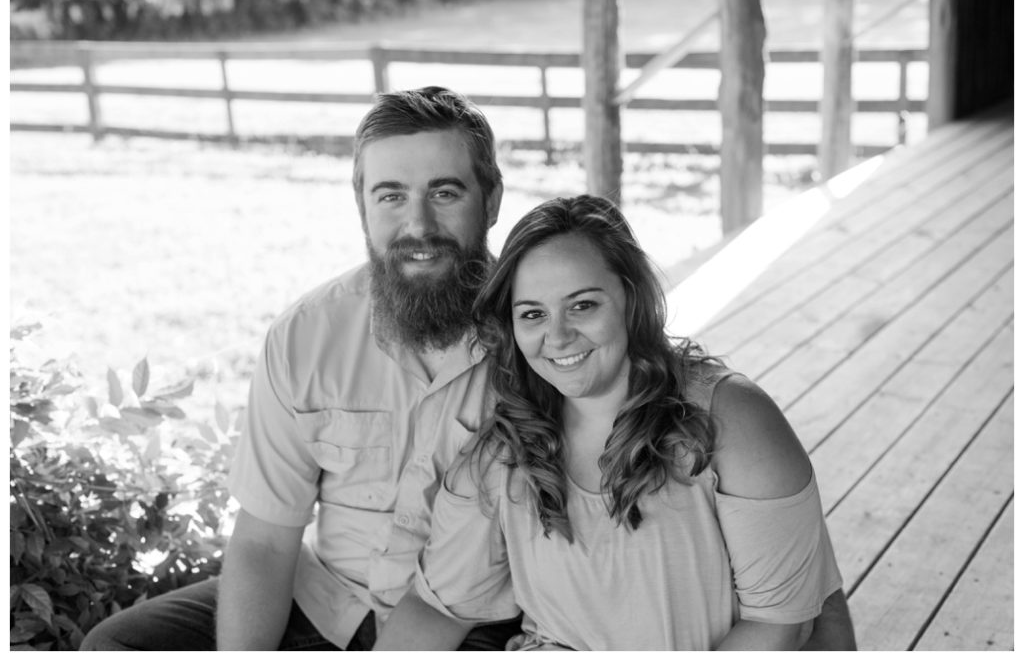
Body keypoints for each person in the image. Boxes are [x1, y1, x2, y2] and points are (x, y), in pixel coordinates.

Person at [80, 86, 521, 650]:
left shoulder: (542, 338)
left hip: (471, 624)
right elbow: (265, 542)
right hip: (324, 601)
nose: (419, 225)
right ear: (361, 204)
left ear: (491, 199)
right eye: (391, 195)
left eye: (444, 192)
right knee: (115, 648)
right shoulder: (306, 336)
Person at [376, 194, 853, 651]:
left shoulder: (731, 419)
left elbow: (781, 626)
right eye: (533, 314)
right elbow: (438, 607)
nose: (558, 336)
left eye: (583, 305)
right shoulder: (504, 451)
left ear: (631, 297)